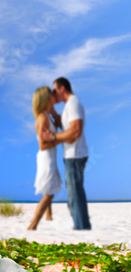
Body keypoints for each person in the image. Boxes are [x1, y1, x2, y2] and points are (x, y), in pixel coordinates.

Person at [41, 77, 91, 230]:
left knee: (75, 197)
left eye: (54, 90)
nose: (53, 93)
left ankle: (82, 230)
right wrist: (53, 111)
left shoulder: (73, 103)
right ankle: (81, 228)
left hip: (75, 156)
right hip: (73, 156)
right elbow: (63, 124)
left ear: (62, 89)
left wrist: (53, 137)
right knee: (73, 197)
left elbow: (75, 130)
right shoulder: (69, 105)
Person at [28, 86, 62, 230]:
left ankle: (48, 217)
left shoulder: (48, 116)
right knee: (49, 192)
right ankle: (33, 225)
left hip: (50, 156)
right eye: (51, 94)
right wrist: (61, 139)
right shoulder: (42, 118)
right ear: (46, 98)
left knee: (50, 186)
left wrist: (53, 112)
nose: (55, 96)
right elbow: (42, 145)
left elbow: (60, 124)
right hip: (46, 157)